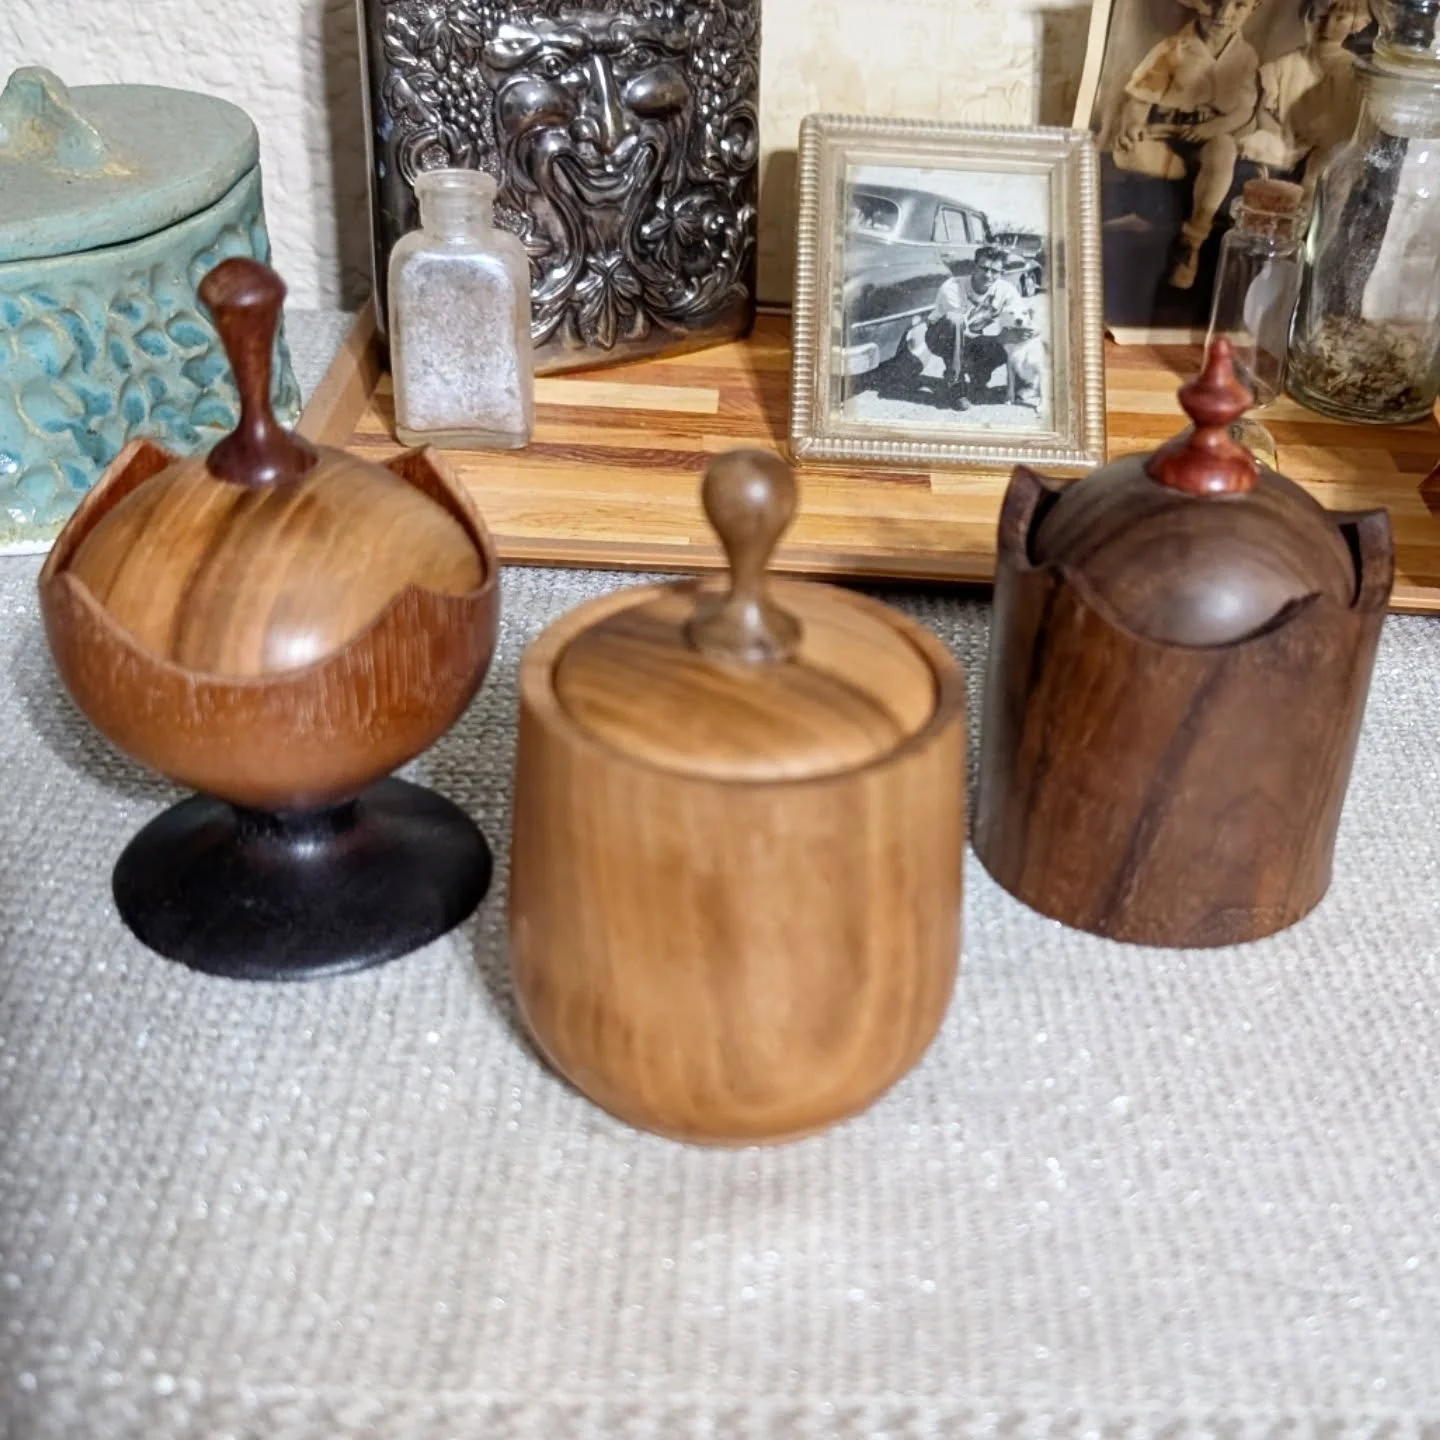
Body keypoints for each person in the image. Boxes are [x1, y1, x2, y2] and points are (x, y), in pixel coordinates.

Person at [1111, 0, 1261, 290]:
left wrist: (1212, 127)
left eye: (1239, 6)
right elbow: (1141, 98)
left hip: (1209, 133)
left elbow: (1243, 110)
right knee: (1132, 152)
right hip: (1166, 130)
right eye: (1217, 3)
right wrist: (1132, 125)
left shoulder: (1246, 55)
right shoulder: (1174, 47)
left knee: (1224, 150)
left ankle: (1191, 242)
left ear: (1252, 10)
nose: (1224, 14)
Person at [1240, 0, 1373, 191]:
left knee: (1322, 176)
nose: (1326, 26)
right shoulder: (1283, 66)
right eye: (1320, 17)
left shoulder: (1357, 75)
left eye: (1340, 18)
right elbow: (1264, 113)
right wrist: (1280, 139)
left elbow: (1351, 131)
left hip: (1328, 157)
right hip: (1284, 151)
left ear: (1358, 23)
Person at [922, 246, 1045, 412]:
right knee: (955, 320)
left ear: (1001, 273)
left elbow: (1023, 316)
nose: (988, 275)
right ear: (974, 267)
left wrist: (1032, 330)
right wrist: (1002, 336)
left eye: (995, 271)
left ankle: (980, 374)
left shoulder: (1006, 289)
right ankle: (956, 386)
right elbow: (964, 330)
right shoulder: (953, 287)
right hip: (941, 336)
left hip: (977, 336)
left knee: (1013, 340)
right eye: (984, 268)